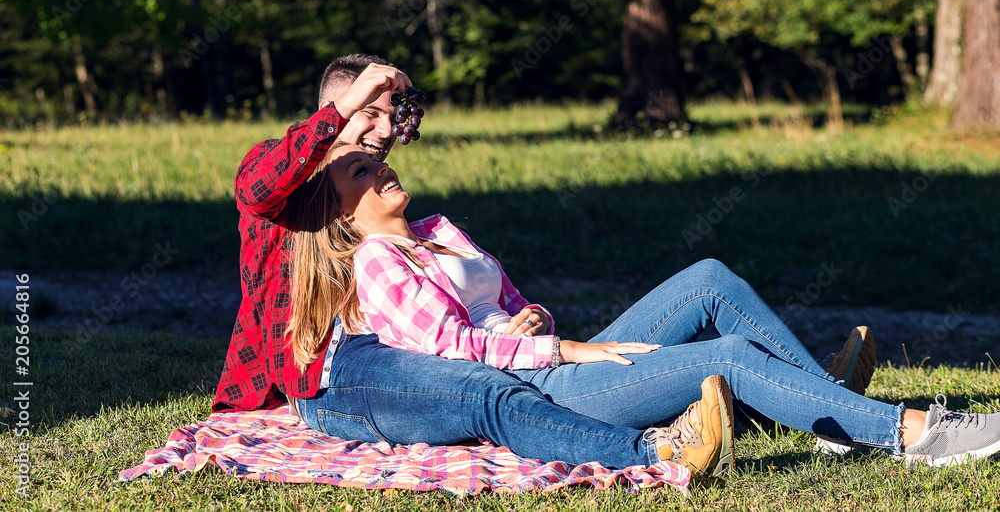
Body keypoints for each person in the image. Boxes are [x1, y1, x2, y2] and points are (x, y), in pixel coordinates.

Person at [285, 142, 1000, 470]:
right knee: (726, 356)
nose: (380, 167)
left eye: (375, 160)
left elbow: (506, 303)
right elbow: (454, 349)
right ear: (342, 215)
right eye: (359, 171)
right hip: (540, 385)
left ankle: (830, 406)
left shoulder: (438, 232)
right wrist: (562, 348)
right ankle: (913, 435)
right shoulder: (377, 261)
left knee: (708, 275)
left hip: (550, 357)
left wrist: (536, 318)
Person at [213, 54, 736, 473]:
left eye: (390, 115)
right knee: (482, 391)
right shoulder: (291, 175)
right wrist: (344, 106)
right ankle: (658, 450)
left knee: (499, 380)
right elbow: (257, 190)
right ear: (336, 108)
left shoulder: (375, 187)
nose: (384, 129)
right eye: (368, 113)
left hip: (393, 347)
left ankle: (720, 398)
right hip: (330, 369)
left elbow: (431, 307)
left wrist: (520, 321)